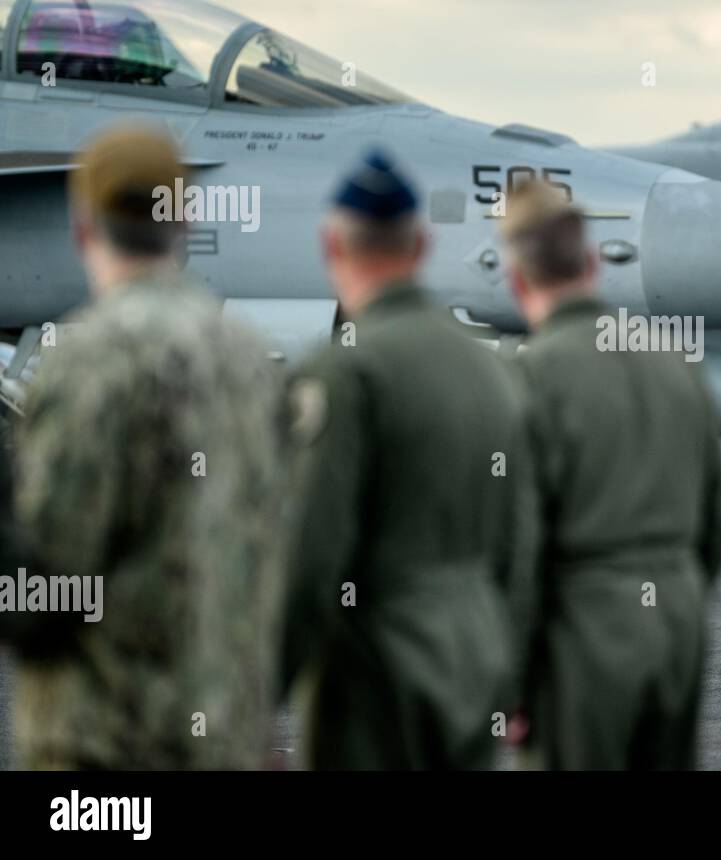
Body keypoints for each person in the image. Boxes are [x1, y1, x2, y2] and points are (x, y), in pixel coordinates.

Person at [0, 125, 284, 769]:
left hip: (109, 757)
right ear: (183, 223)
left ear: (81, 229)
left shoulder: (90, 357)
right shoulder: (249, 357)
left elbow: (49, 589)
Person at [280, 150, 536, 769]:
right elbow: (523, 543)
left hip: (374, 673)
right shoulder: (491, 370)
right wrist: (518, 678)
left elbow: (312, 550)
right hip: (476, 660)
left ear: (331, 246)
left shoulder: (341, 370)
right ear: (421, 245)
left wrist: (264, 687)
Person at [500, 181, 721, 770]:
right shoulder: (675, 366)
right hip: (677, 622)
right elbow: (718, 524)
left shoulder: (534, 377)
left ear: (518, 280)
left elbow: (521, 548)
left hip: (585, 633)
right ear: (595, 263)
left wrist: (514, 684)